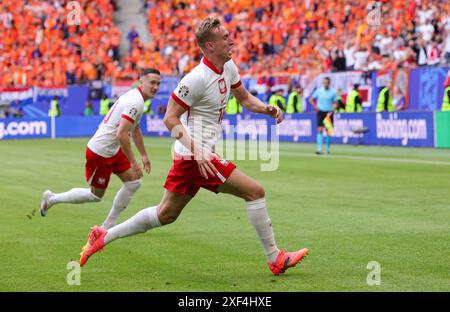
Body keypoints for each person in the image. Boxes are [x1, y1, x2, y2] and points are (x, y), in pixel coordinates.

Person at [78, 17, 308, 276]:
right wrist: (197, 150)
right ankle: (275, 258)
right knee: (255, 191)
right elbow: (170, 118)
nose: (231, 40)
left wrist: (267, 109)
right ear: (210, 46)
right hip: (194, 156)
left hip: (192, 157)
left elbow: (244, 99)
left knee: (166, 214)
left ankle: (103, 236)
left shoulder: (228, 66)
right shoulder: (196, 79)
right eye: (225, 38)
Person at [39, 69, 162, 232]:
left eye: (158, 84)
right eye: (152, 82)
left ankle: (108, 225)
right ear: (141, 82)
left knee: (134, 182)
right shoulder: (136, 101)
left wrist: (144, 155)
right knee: (95, 196)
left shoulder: (137, 98)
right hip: (101, 151)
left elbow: (135, 128)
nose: (155, 87)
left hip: (113, 149)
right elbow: (121, 134)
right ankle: (52, 199)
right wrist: (134, 162)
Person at [309, 77, 338, 154]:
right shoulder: (319, 91)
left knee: (328, 131)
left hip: (328, 112)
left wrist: (332, 110)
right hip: (320, 112)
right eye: (324, 82)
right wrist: (316, 107)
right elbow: (311, 99)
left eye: (327, 82)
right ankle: (319, 149)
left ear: (329, 83)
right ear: (323, 83)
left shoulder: (333, 92)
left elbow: (335, 103)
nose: (325, 84)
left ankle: (328, 149)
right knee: (320, 129)